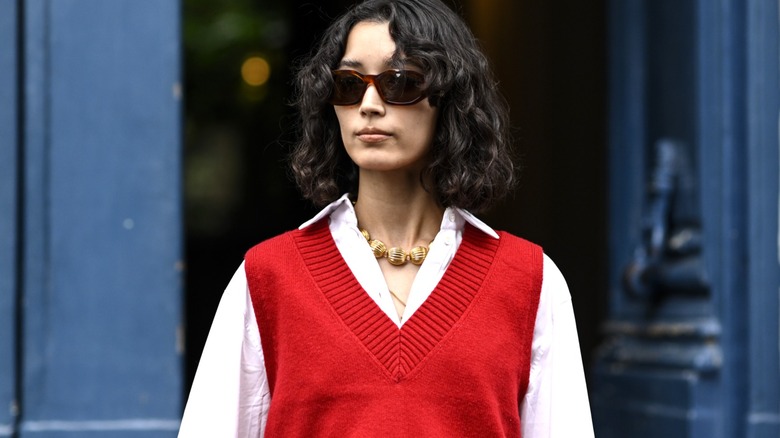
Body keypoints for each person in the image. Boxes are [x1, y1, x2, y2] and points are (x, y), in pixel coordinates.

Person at [179, 0, 594, 436]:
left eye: (400, 82)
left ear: (448, 98)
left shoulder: (530, 282)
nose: (370, 104)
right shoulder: (266, 279)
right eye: (348, 83)